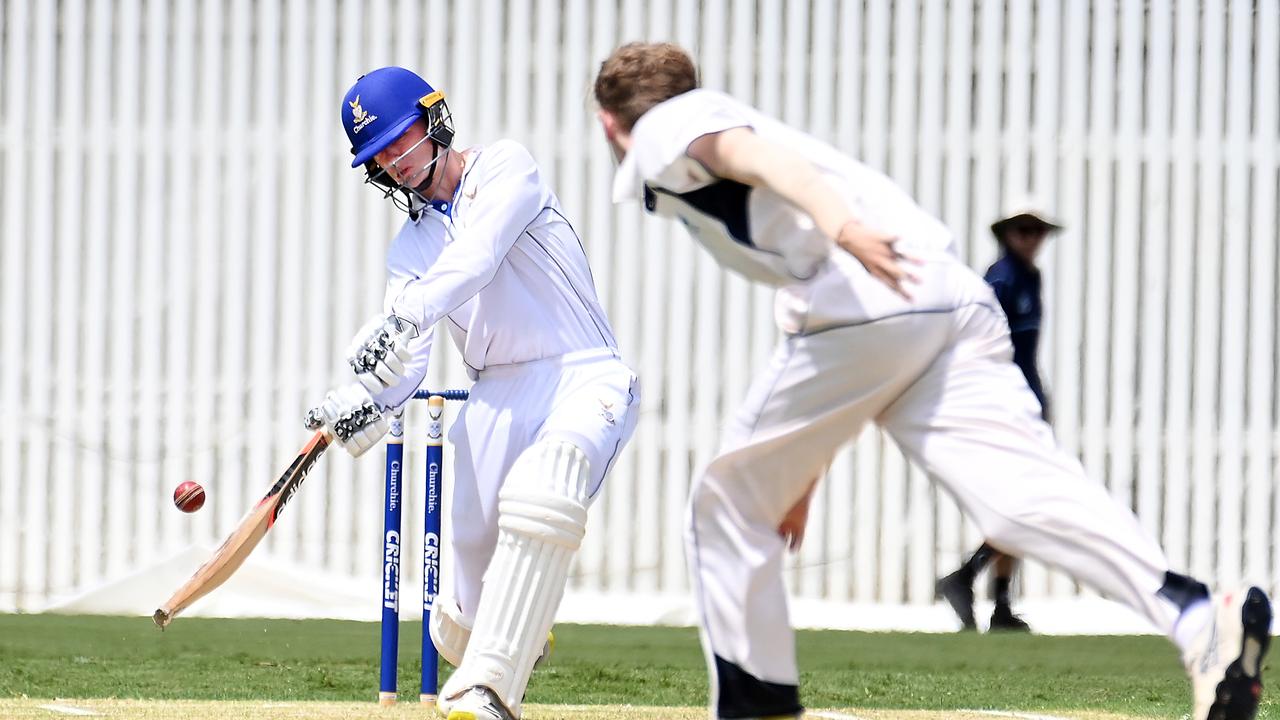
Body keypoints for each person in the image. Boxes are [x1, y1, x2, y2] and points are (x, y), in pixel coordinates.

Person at [593, 42, 1270, 720]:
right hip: (946, 295)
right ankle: (1195, 615)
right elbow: (834, 359)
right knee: (1018, 499)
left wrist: (845, 229)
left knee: (727, 504)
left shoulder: (664, 126)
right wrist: (797, 477)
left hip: (869, 289)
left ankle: (758, 707)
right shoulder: (706, 131)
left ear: (606, 121)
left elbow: (754, 157)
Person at [308, 66, 640, 720]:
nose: (397, 165)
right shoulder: (410, 248)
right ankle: (501, 637)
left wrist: (403, 318)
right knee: (464, 610)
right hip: (492, 400)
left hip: (581, 374)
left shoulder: (507, 167)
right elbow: (405, 364)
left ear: (433, 121)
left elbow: (479, 256)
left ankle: (485, 693)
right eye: (380, 158)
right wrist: (365, 400)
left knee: (546, 487)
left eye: (401, 141)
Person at [935, 204, 1062, 633]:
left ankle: (994, 599)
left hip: (1026, 401)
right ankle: (971, 581)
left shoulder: (1031, 278)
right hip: (1003, 405)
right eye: (1023, 230)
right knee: (1020, 501)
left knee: (1023, 501)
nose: (1032, 239)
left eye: (1037, 231)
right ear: (1007, 234)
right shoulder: (1000, 280)